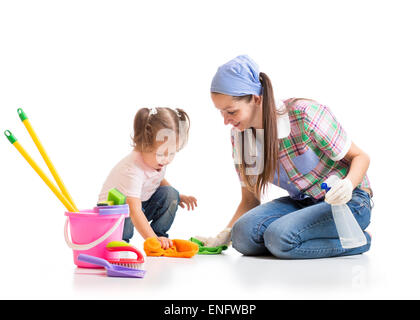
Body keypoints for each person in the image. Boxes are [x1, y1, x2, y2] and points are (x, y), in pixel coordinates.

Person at [197, 55, 372, 259]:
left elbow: (361, 157)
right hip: (303, 204)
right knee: (242, 236)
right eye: (221, 112)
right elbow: (250, 200)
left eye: (231, 111)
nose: (226, 121)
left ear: (256, 98)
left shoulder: (304, 115)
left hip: (349, 203)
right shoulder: (242, 137)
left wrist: (348, 185)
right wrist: (225, 235)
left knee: (279, 238)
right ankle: (290, 240)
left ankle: (358, 240)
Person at [98, 107, 197, 249]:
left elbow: (156, 179)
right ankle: (121, 242)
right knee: (126, 208)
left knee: (170, 193)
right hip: (113, 214)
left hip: (139, 205)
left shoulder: (156, 160)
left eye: (172, 153)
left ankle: (159, 234)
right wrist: (152, 241)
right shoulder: (132, 170)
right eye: (162, 154)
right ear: (143, 144)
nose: (167, 159)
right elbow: (134, 209)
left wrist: (178, 196)